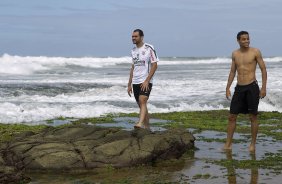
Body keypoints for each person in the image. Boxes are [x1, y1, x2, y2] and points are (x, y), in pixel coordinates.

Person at [223, 31, 267, 152]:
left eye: (248, 39)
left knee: (253, 117)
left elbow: (263, 69)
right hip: (239, 88)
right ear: (238, 40)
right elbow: (232, 72)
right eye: (243, 39)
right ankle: (228, 144)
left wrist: (263, 88)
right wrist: (227, 88)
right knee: (232, 116)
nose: (246, 41)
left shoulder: (255, 52)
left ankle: (252, 145)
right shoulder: (235, 54)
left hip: (252, 87)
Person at [127, 29, 158, 129]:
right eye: (132, 36)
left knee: (142, 100)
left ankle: (140, 123)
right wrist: (129, 84)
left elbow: (154, 65)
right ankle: (147, 127)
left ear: (141, 37)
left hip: (145, 81)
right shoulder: (133, 51)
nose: (133, 38)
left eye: (135, 36)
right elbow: (133, 67)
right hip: (135, 81)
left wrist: (147, 81)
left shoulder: (149, 48)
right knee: (141, 105)